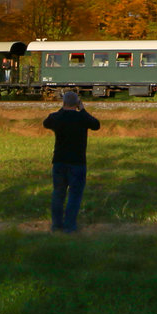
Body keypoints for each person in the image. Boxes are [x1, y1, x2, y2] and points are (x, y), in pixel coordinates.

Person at [42, 90, 101, 233]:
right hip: (77, 163)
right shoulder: (82, 118)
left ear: (63, 103)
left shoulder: (57, 117)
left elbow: (46, 122)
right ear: (77, 104)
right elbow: (96, 125)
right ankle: (69, 226)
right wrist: (82, 110)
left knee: (58, 194)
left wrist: (63, 109)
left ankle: (56, 225)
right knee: (74, 195)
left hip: (59, 161)